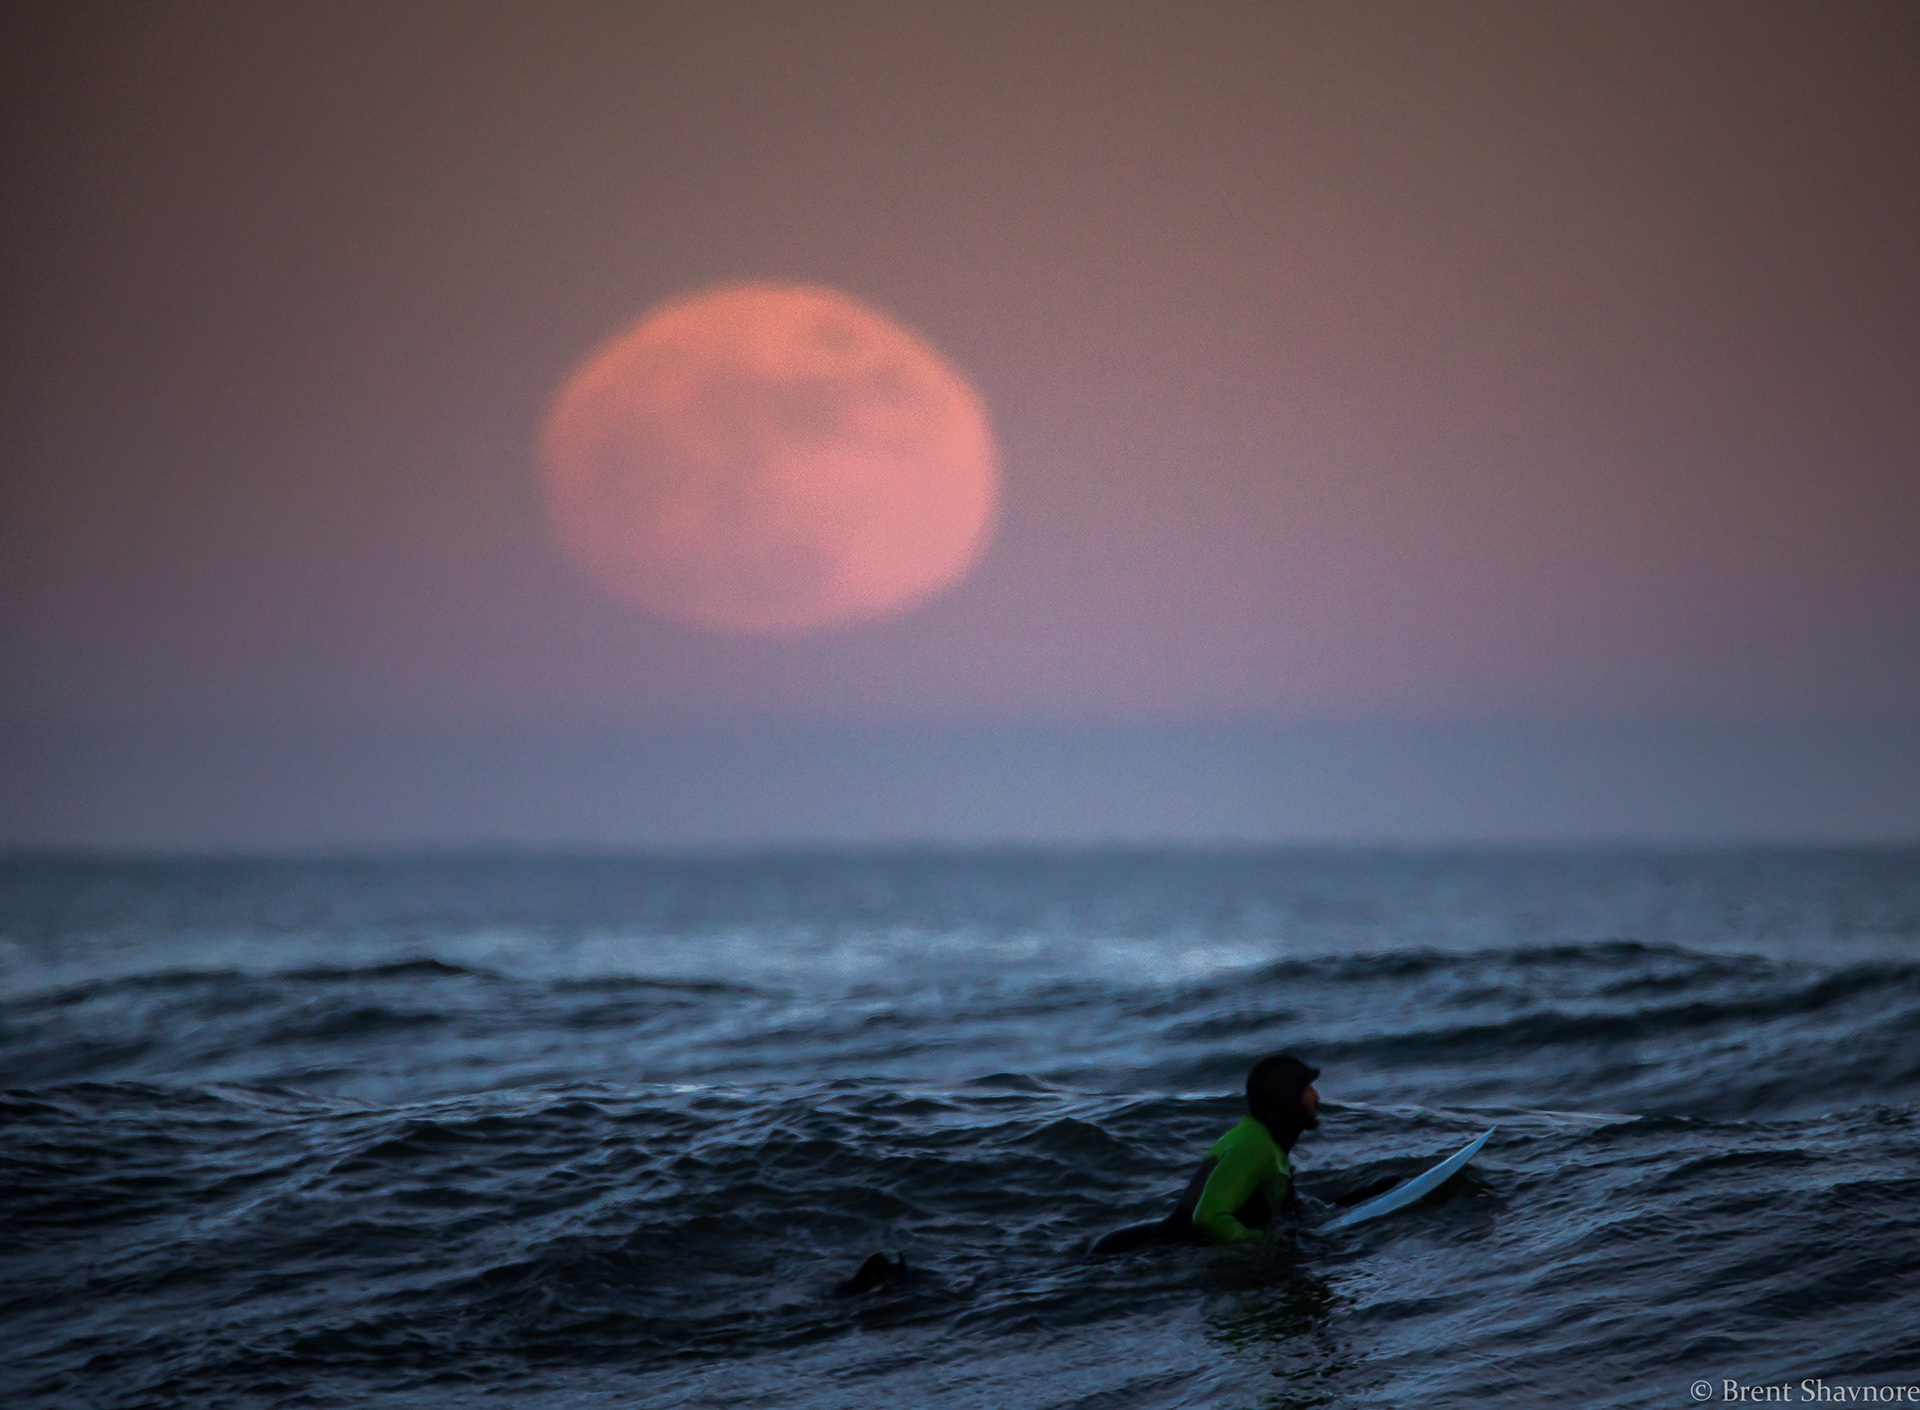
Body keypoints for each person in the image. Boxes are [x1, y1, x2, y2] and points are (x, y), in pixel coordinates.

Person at [1090, 1054, 1320, 1255]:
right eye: (1308, 1088)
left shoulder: (1260, 1141)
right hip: (1140, 1254)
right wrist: (1272, 1243)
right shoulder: (1255, 1148)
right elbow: (1208, 1218)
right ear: (1288, 1097)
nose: (1317, 1096)